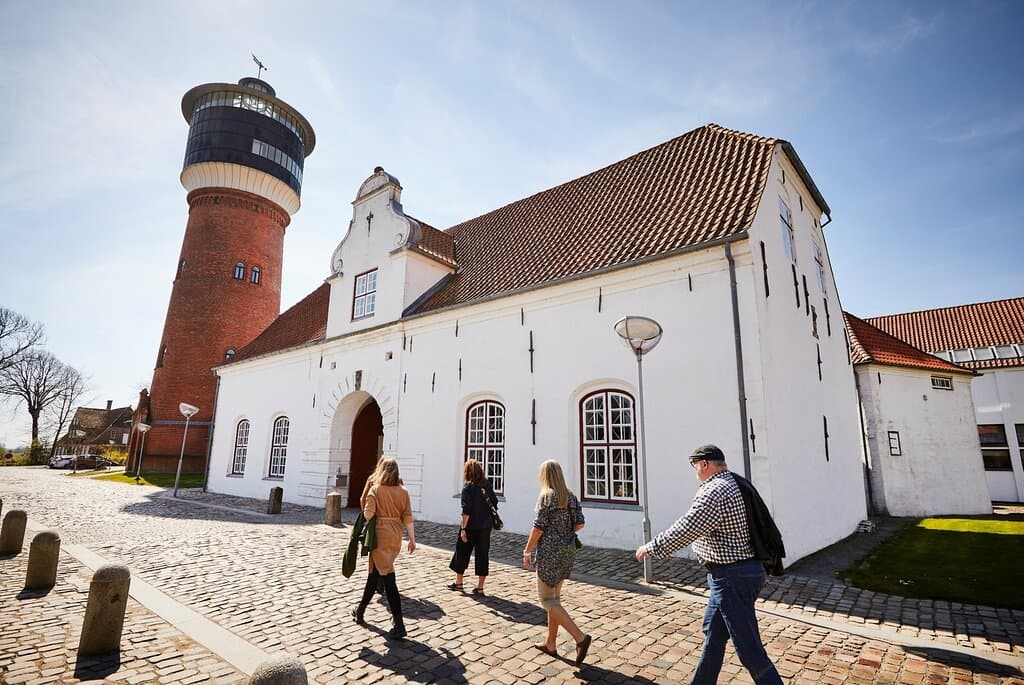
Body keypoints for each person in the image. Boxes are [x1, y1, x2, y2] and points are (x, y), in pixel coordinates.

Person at [635, 445, 783, 685]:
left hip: (732, 577)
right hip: (736, 573)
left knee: (749, 649)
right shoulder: (735, 482)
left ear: (704, 464)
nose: (694, 472)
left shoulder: (714, 491)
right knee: (713, 634)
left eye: (694, 466)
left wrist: (651, 548)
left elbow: (687, 528)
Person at [522, 460, 592, 666]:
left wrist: (527, 550)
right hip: (567, 551)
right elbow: (580, 523)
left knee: (546, 600)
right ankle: (550, 644)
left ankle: (580, 638)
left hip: (549, 553)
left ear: (545, 476)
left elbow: (538, 528)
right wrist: (564, 533)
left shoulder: (546, 497)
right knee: (555, 599)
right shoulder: (570, 496)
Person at [352, 457, 416, 639]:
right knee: (373, 575)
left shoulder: (376, 489)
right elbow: (408, 517)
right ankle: (360, 610)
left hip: (379, 536)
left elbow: (368, 514)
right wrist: (412, 539)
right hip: (395, 537)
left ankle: (399, 623)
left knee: (388, 579)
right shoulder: (403, 492)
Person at [448, 459, 498, 595]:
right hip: (485, 527)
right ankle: (480, 587)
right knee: (483, 555)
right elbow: (495, 502)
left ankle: (459, 583)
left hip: (470, 527)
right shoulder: (486, 484)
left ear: (467, 472)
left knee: (462, 552)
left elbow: (466, 510)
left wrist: (463, 529)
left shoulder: (467, 487)